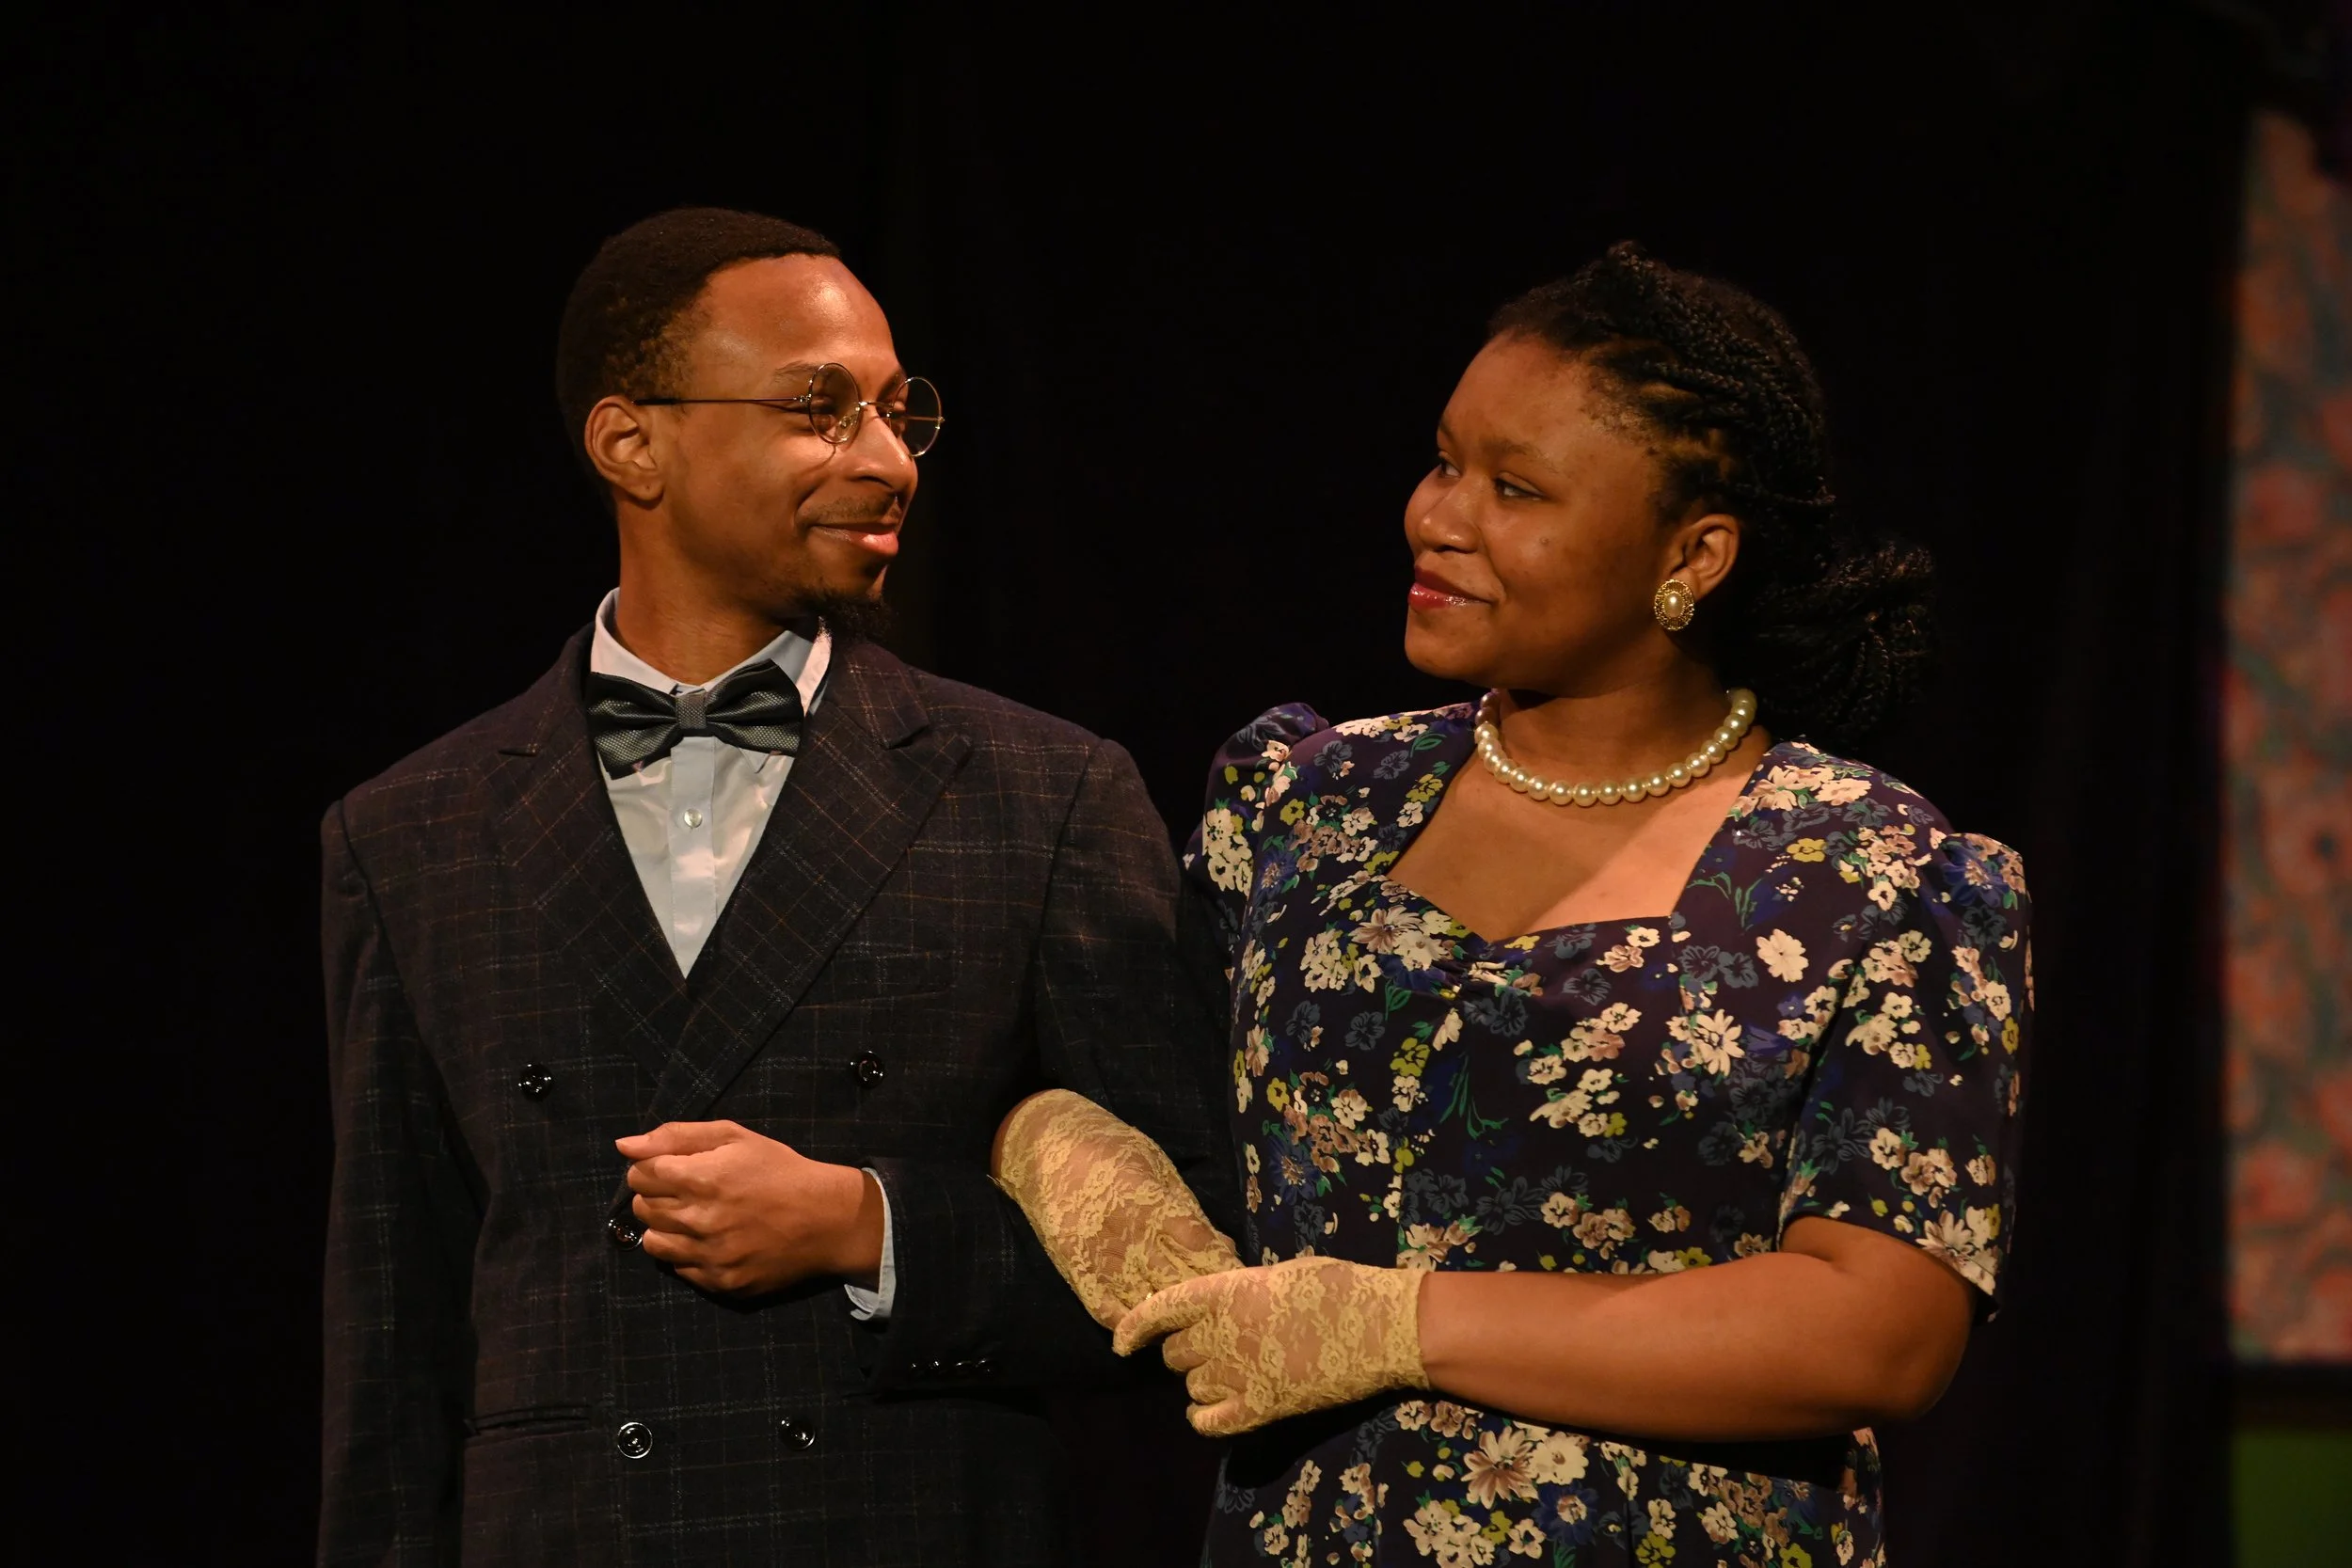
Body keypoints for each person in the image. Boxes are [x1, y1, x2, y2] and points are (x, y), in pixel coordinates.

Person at [994, 243, 2032, 1567]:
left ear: (1693, 553)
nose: (1438, 516)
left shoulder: (1872, 872)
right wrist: (1052, 1135)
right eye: (1444, 463)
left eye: (1516, 488)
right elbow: (1154, 1104)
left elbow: (1880, 1333)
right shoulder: (1314, 801)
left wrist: (1399, 1324)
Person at [318, 207, 1233, 1566]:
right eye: (819, 409)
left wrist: (872, 1229)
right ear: (631, 444)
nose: (888, 462)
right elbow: (392, 1351)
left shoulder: (1041, 796)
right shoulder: (411, 831)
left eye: (898, 413)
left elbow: (1201, 1261)